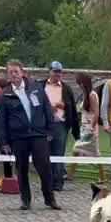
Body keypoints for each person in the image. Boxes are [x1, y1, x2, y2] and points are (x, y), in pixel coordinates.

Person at [0, 61, 61, 211]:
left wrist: (50, 130)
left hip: (38, 134)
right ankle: (25, 199)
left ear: (22, 72)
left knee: (44, 167)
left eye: (16, 71)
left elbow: (47, 109)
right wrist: (4, 141)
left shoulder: (36, 88)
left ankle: (49, 199)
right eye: (10, 72)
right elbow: (1, 121)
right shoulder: (5, 95)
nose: (13, 74)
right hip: (19, 137)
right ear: (8, 74)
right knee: (22, 168)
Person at [44, 61, 79, 193]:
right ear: (50, 71)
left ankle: (58, 182)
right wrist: (48, 107)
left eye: (60, 72)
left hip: (60, 125)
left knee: (59, 153)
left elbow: (72, 106)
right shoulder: (41, 86)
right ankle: (47, 181)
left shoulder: (66, 88)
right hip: (45, 125)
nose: (58, 74)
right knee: (45, 153)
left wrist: (64, 105)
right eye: (55, 71)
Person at [73, 72, 104, 183]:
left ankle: (103, 176)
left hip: (89, 129)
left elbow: (96, 113)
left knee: (94, 152)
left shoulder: (91, 95)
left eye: (80, 83)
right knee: (77, 150)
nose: (79, 86)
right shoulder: (86, 94)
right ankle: (71, 174)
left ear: (84, 83)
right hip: (85, 127)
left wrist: (91, 128)